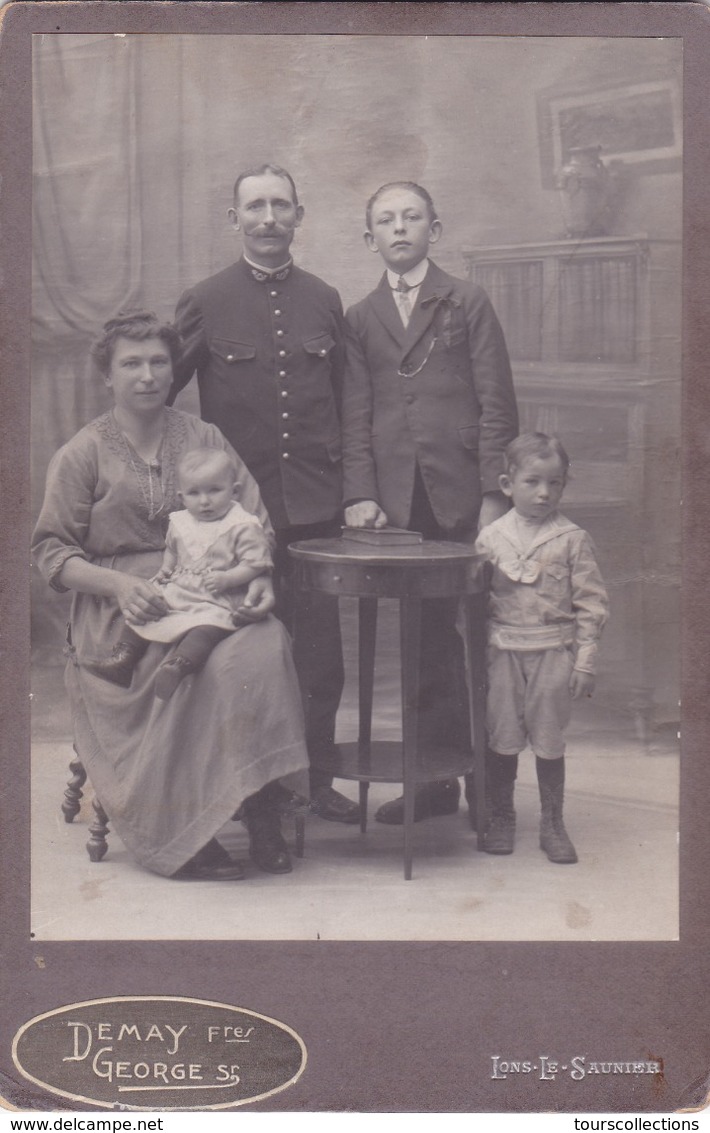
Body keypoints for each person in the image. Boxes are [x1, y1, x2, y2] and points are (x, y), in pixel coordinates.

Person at [32, 310, 310, 880]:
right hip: (123, 613)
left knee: (263, 642)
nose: (147, 375)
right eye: (130, 364)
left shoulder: (204, 438)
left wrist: (258, 577)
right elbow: (52, 554)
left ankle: (258, 802)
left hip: (210, 594)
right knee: (179, 662)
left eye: (159, 362)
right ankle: (183, 827)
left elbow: (254, 522)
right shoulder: (82, 453)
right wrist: (120, 584)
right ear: (107, 376)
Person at [169, 163, 359, 825]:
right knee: (241, 652)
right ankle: (249, 790)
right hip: (233, 514)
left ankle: (317, 777)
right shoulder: (204, 299)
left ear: (299, 215)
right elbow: (164, 398)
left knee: (320, 655)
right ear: (235, 220)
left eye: (281, 205)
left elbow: (347, 400)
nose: (269, 218)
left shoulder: (323, 297)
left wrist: (353, 491)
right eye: (255, 207)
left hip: (315, 506)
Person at [342, 181, 519, 827]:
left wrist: (496, 494)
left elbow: (498, 398)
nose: (399, 228)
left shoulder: (466, 300)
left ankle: (492, 796)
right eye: (385, 220)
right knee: (420, 644)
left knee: (481, 642)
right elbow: (356, 412)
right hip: (398, 504)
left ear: (433, 230)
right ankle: (434, 783)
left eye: (411, 217)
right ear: (370, 239)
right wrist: (362, 493)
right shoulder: (361, 317)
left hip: (465, 494)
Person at [475, 432, 609, 863]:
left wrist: (584, 662)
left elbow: (591, 603)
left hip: (553, 653)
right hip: (501, 653)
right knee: (502, 738)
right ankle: (501, 817)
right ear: (507, 483)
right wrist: (477, 659)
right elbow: (474, 607)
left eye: (554, 483)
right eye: (532, 482)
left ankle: (553, 823)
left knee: (549, 740)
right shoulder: (490, 539)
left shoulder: (572, 538)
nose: (543, 493)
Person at [85, 446, 273, 701]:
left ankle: (179, 666)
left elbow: (255, 563)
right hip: (181, 589)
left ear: (235, 491)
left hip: (217, 595)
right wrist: (166, 569)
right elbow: (173, 550)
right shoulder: (182, 521)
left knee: (207, 627)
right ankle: (123, 659)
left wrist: (228, 578)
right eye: (194, 493)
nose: (204, 501)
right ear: (182, 497)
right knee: (149, 610)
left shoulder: (241, 525)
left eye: (215, 490)